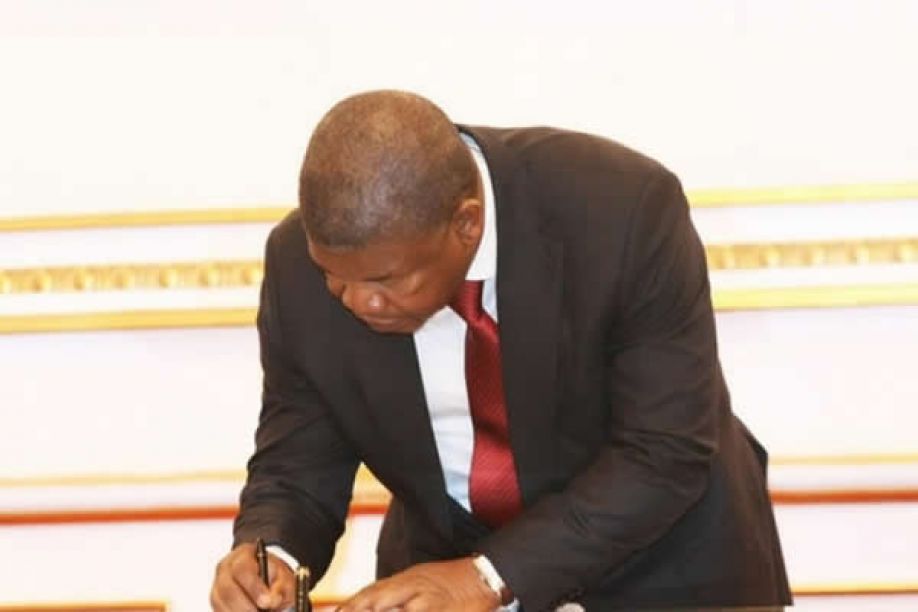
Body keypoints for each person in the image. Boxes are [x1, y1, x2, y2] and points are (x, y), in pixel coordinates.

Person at [210, 90, 791, 612]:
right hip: (439, 573)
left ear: (466, 224)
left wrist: (489, 577)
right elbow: (299, 460)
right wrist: (271, 551)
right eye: (333, 277)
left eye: (386, 280)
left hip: (666, 569)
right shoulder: (295, 266)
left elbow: (663, 450)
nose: (359, 301)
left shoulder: (623, 211)